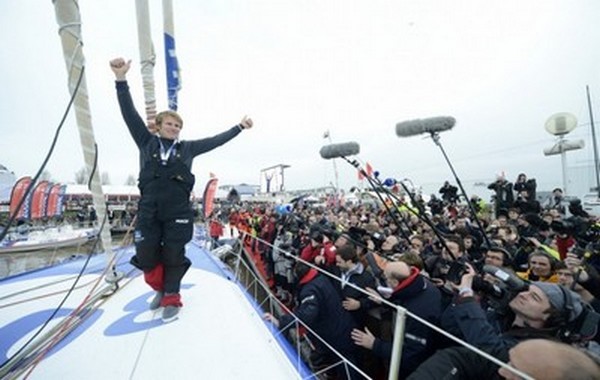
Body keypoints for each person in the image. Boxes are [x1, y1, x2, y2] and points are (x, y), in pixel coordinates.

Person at [109, 57, 253, 322]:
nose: (174, 128)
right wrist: (121, 80)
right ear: (159, 125)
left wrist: (239, 128)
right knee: (146, 254)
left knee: (174, 254)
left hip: (178, 211)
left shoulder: (187, 148)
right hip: (150, 210)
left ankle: (172, 296)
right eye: (170, 124)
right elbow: (130, 115)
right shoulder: (146, 143)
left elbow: (215, 141)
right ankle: (160, 288)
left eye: (177, 126)